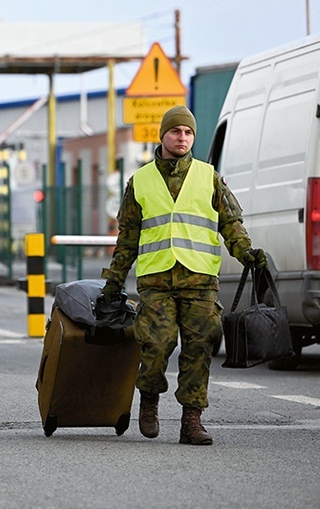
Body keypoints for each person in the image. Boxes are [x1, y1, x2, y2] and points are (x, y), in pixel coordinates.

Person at [98, 105, 267, 446]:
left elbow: (230, 224)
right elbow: (127, 237)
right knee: (156, 345)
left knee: (199, 348)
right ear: (163, 135)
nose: (183, 137)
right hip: (156, 281)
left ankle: (192, 420)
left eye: (189, 132)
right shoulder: (141, 181)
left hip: (200, 280)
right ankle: (149, 400)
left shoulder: (210, 177)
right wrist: (114, 281)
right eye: (176, 131)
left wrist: (246, 252)